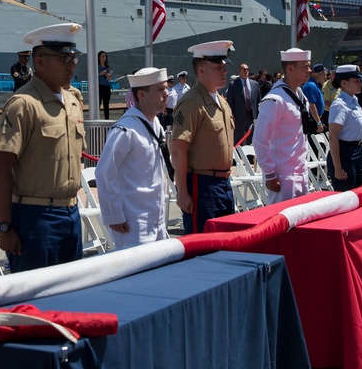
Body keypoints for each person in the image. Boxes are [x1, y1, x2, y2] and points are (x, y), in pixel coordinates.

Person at [0, 23, 86, 273]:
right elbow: (2, 168)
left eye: (73, 57)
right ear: (41, 61)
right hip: (35, 218)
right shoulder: (23, 104)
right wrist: (5, 227)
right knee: (36, 303)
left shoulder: (72, 101)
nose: (72, 64)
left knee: (72, 297)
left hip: (71, 213)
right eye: (64, 58)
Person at [95, 67, 171, 249]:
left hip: (157, 217)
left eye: (166, 88)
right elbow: (104, 172)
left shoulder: (155, 124)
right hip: (134, 223)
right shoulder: (125, 130)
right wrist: (114, 215)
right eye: (160, 89)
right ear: (142, 95)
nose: (166, 94)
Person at [170, 40, 236, 234]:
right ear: (201, 71)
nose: (223, 72)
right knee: (202, 246)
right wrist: (182, 192)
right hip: (202, 184)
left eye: (224, 67)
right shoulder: (192, 102)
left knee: (226, 244)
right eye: (217, 67)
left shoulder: (222, 103)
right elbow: (178, 149)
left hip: (223, 183)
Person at [252, 48, 313, 204]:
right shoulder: (276, 100)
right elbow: (260, 139)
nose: (309, 70)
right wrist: (270, 173)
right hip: (283, 175)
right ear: (290, 68)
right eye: (305, 66)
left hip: (300, 170)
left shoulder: (299, 95)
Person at [326, 65, 362, 191]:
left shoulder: (354, 101)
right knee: (346, 195)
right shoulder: (340, 105)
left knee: (360, 193)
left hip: (357, 150)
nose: (360, 83)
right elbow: (333, 137)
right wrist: (338, 167)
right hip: (344, 152)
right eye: (356, 81)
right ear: (344, 83)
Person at [225, 62, 258, 146]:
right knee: (238, 138)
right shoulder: (234, 84)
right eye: (244, 69)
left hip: (251, 116)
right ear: (239, 71)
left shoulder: (254, 84)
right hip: (239, 117)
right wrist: (231, 114)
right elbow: (230, 101)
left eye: (247, 69)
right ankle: (237, 158)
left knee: (251, 138)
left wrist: (258, 115)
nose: (246, 71)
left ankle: (250, 158)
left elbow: (258, 100)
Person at [303, 64, 327, 131]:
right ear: (320, 73)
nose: (325, 77)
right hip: (313, 120)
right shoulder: (311, 86)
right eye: (324, 74)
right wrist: (318, 122)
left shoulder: (314, 84)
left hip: (317, 118)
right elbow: (311, 106)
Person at [97, 51, 114, 119]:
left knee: (106, 104)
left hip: (106, 86)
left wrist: (108, 76)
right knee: (98, 103)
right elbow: (92, 76)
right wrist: (100, 74)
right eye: (102, 56)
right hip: (99, 86)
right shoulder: (97, 66)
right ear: (99, 57)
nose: (104, 58)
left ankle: (107, 118)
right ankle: (96, 118)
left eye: (105, 56)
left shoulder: (107, 67)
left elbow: (110, 78)